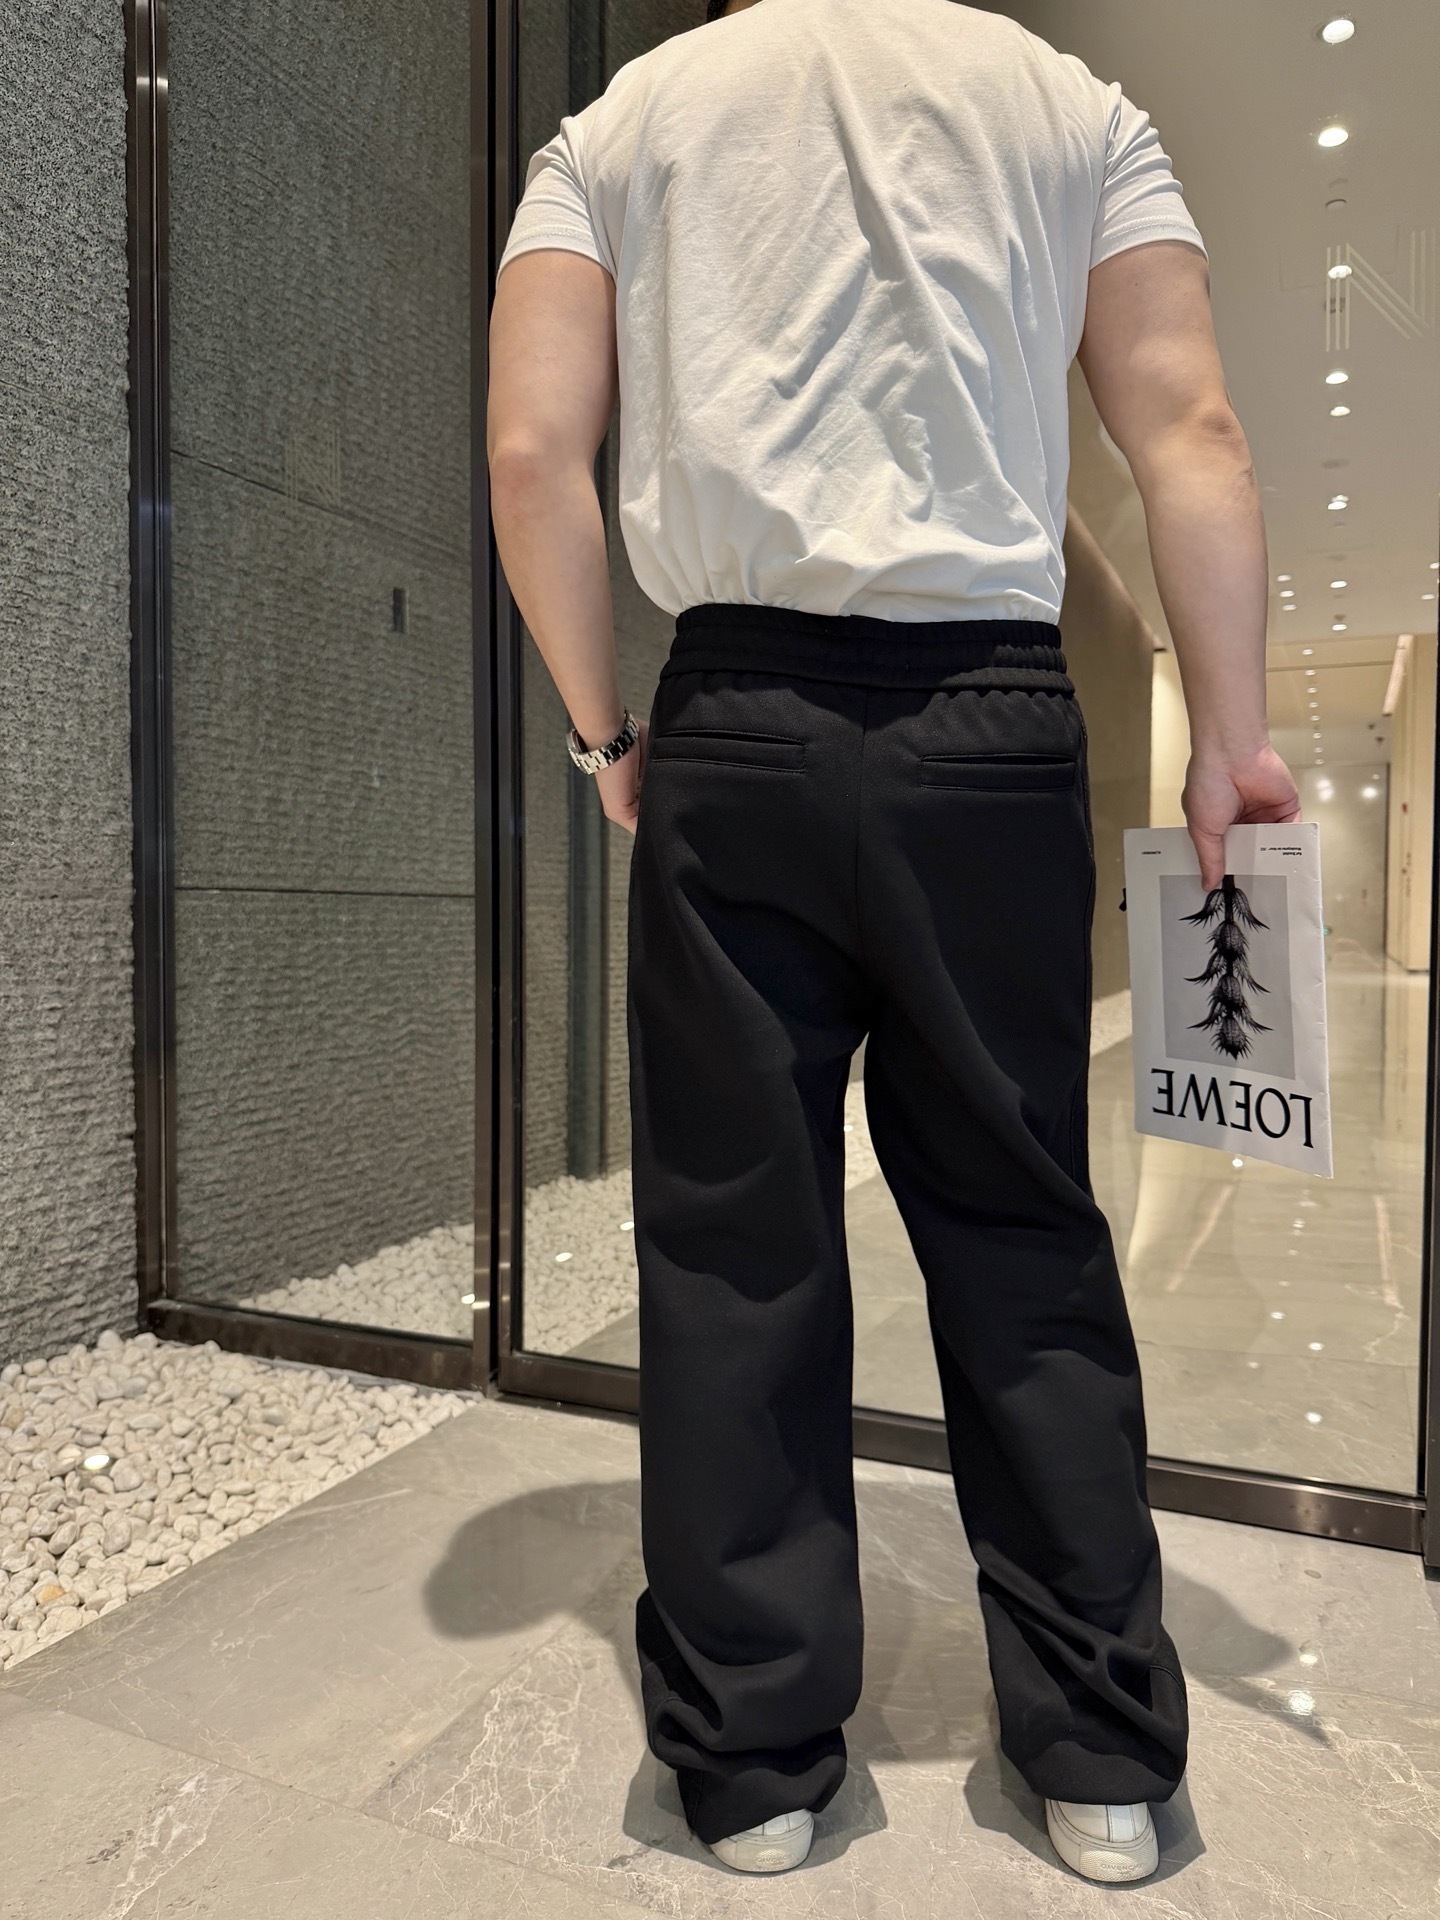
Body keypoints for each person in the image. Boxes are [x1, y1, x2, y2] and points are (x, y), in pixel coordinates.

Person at [487, 0, 1300, 1887]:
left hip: (738, 724)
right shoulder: (1077, 109)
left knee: (735, 1249)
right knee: (1023, 1232)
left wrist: (609, 736)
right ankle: (1098, 1754)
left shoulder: (618, 126)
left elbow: (534, 453)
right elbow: (1189, 426)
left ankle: (756, 1765)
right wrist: (1234, 741)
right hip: (989, 732)